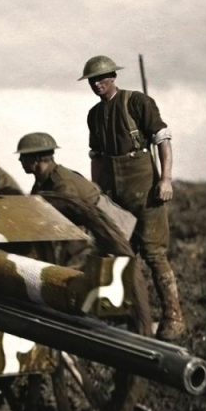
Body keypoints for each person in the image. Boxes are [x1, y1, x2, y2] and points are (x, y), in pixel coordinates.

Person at [79, 54, 185, 340]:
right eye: (92, 81)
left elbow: (163, 140)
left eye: (102, 78)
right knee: (120, 252)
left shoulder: (137, 102)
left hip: (147, 191)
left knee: (153, 252)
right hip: (116, 194)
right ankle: (127, 319)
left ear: (113, 77)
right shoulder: (94, 115)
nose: (97, 84)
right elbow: (97, 158)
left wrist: (165, 179)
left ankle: (173, 317)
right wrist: (97, 195)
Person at [16, 132, 136, 239]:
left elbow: (68, 225)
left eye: (23, 156)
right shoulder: (43, 180)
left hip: (110, 230)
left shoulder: (62, 183)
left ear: (37, 158)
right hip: (96, 227)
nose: (20, 160)